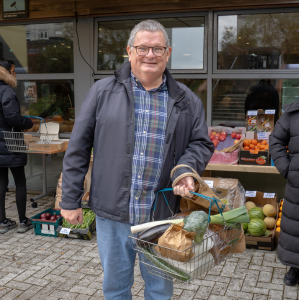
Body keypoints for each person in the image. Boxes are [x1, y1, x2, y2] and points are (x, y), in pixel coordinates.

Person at [60, 20, 214, 299]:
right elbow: (78, 147)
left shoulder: (187, 100)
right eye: (143, 48)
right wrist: (70, 200)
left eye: (158, 48)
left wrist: (186, 171)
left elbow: (201, 143)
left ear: (168, 53)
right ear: (129, 52)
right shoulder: (102, 92)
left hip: (161, 217)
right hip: (113, 214)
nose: (150, 55)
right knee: (116, 288)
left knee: (159, 289)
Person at [0, 58, 34, 234]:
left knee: (0, 184)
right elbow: (13, 119)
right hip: (11, 143)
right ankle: (22, 222)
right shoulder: (7, 91)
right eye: (13, 71)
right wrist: (27, 122)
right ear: (5, 72)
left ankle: (3, 222)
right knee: (20, 182)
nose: (15, 74)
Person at [269, 98, 299, 286]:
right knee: (296, 227)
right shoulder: (293, 113)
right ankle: (295, 266)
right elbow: (276, 139)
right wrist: (287, 169)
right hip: (298, 185)